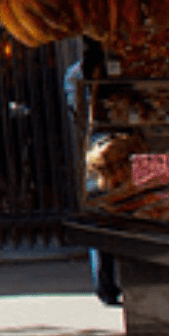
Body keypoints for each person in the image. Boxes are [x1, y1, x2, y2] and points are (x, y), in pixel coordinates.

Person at [64, 38, 121, 305]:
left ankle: (105, 283)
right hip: (110, 147)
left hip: (96, 147)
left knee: (101, 213)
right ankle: (106, 281)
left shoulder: (75, 74)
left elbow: (75, 112)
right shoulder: (83, 74)